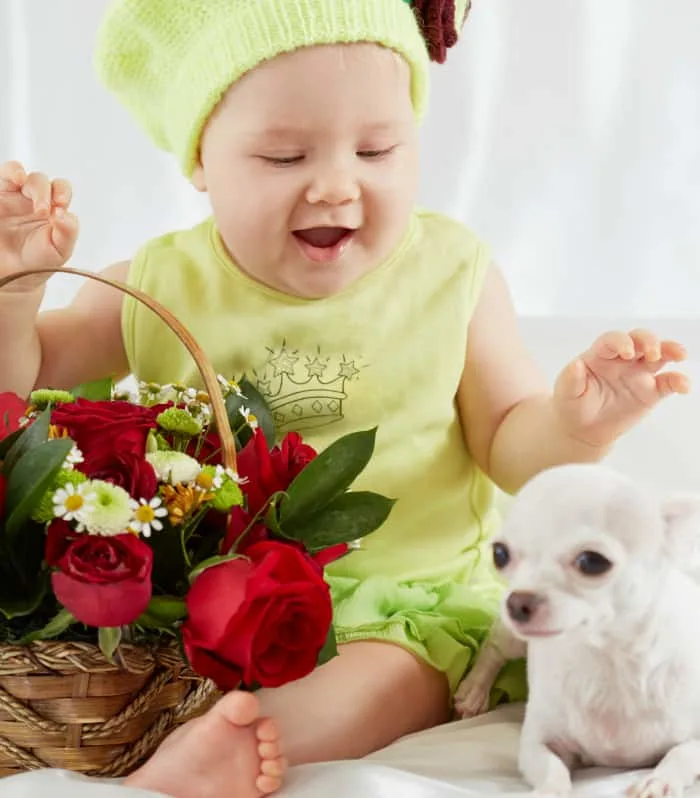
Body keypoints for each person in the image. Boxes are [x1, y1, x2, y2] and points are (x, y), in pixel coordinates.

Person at [0, 0, 689, 795]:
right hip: (218, 598)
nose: (336, 185)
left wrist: (580, 421)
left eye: (377, 149)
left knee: (383, 683)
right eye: (285, 157)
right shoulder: (162, 283)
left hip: (409, 596)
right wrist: (20, 295)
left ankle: (221, 755)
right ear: (201, 162)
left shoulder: (450, 274)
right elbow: (24, 384)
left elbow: (509, 440)